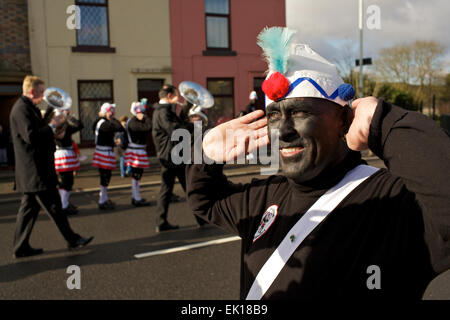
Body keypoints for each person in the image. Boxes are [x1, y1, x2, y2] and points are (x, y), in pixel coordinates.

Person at [185, 27, 450, 299]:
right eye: (274, 116)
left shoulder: (391, 200)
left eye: (300, 112)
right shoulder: (265, 196)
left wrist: (383, 122)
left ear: (344, 121)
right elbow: (206, 200)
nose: (283, 131)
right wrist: (204, 153)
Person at [9, 75, 93, 258]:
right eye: (41, 92)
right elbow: (31, 136)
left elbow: (40, 128)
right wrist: (53, 125)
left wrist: (53, 117)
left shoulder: (28, 107)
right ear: (32, 91)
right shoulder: (21, 109)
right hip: (35, 170)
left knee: (28, 210)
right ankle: (72, 239)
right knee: (54, 206)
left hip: (34, 170)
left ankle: (20, 247)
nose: (44, 95)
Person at [152, 84, 205, 232]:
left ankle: (162, 222)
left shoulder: (164, 111)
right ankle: (202, 218)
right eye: (177, 96)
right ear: (169, 96)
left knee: (176, 189)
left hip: (172, 155)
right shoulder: (163, 112)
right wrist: (193, 125)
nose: (178, 99)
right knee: (188, 188)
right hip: (172, 156)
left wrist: (188, 104)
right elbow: (175, 130)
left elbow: (178, 122)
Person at [92, 102, 123, 210]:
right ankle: (102, 200)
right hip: (104, 152)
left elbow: (104, 137)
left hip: (102, 151)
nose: (113, 113)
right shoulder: (104, 123)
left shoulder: (99, 122)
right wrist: (112, 118)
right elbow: (119, 127)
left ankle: (104, 198)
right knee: (105, 176)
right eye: (111, 112)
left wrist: (113, 143)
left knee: (105, 176)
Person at [54, 109, 83, 215]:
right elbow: (79, 125)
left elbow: (80, 125)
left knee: (66, 181)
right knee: (66, 181)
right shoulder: (60, 128)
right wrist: (67, 118)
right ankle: (63, 205)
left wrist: (68, 117)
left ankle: (63, 203)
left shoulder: (63, 127)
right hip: (64, 155)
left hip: (64, 155)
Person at [124, 100, 152, 206]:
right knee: (136, 174)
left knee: (138, 175)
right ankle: (136, 198)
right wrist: (145, 118)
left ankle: (136, 196)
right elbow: (148, 127)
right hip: (135, 150)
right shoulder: (133, 122)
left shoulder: (135, 121)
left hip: (138, 150)